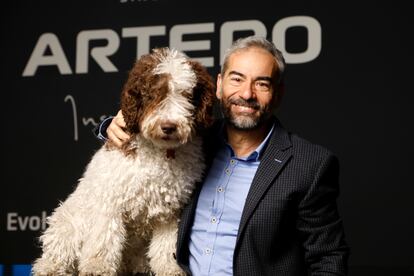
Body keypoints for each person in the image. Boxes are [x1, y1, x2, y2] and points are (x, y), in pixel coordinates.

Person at [96, 36, 350, 276]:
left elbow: (328, 257)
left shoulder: (309, 164)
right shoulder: (192, 143)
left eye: (261, 83)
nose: (247, 94)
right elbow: (147, 131)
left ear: (278, 94)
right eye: (237, 79)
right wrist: (110, 124)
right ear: (219, 85)